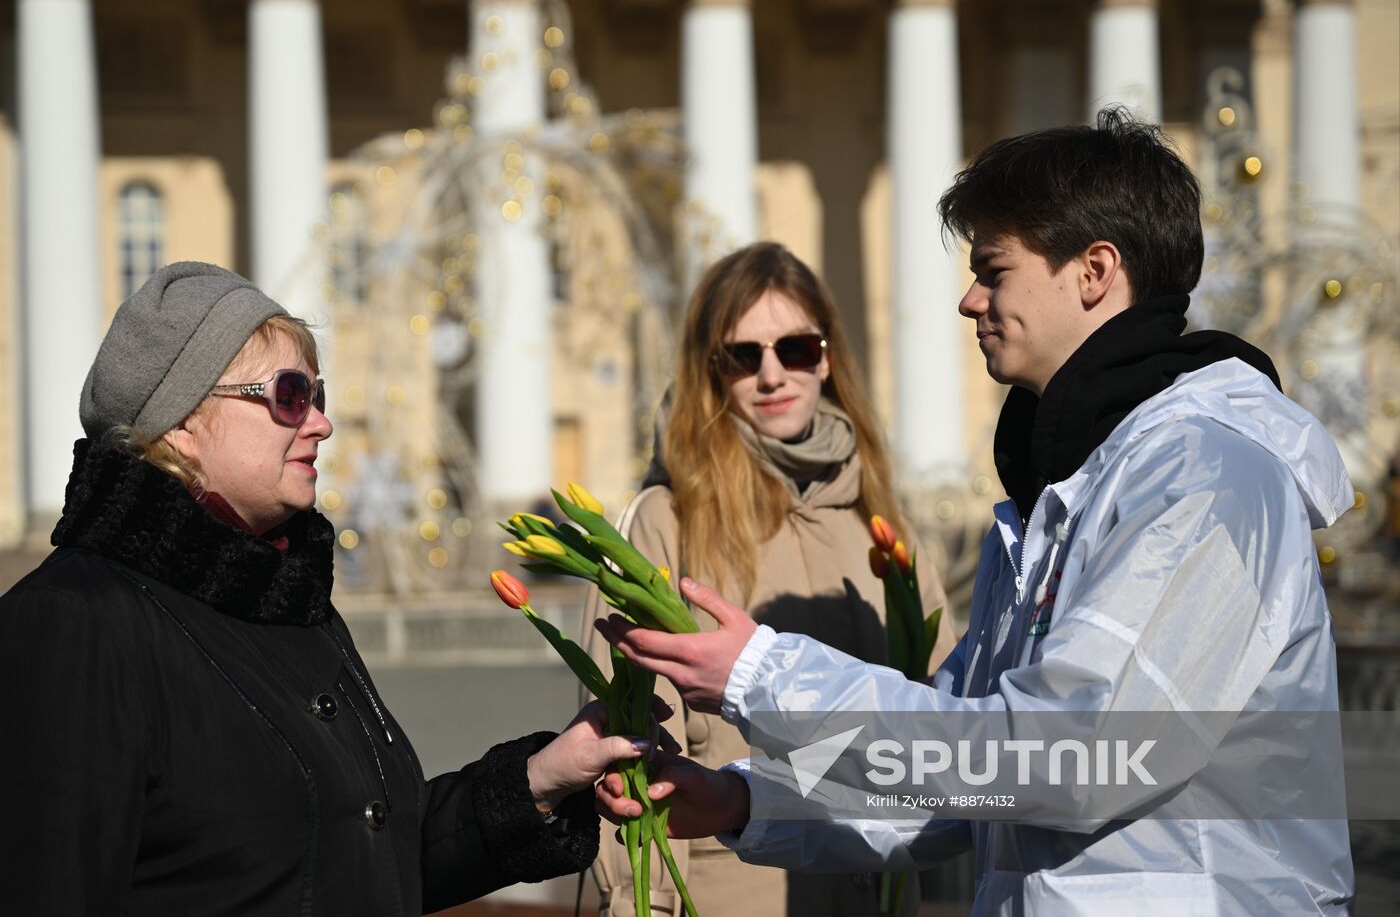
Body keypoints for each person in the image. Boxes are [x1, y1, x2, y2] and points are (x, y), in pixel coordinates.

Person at [596, 110, 1356, 914]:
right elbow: (963, 774)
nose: (969, 300)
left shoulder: (1206, 479)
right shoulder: (1058, 491)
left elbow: (1075, 762)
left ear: (1094, 271)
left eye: (994, 271)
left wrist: (763, 673)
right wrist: (746, 803)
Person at [0, 262, 659, 915]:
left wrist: (543, 779)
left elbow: (368, 855)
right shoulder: (72, 623)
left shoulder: (285, 596)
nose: (320, 423)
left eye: (319, 396)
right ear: (181, 423)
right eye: (290, 395)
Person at [583, 242, 955, 916]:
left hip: (872, 893)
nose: (773, 375)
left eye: (798, 349)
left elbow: (948, 724)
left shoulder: (882, 522)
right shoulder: (666, 521)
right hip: (726, 893)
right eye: (743, 356)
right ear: (710, 373)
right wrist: (643, 907)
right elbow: (623, 743)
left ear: (829, 357)